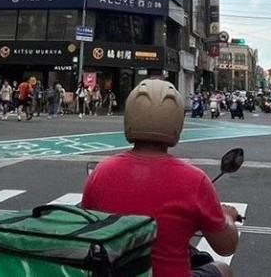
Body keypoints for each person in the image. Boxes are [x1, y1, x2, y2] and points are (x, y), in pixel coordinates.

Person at [82, 79, 239, 277]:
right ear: (177, 123)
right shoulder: (194, 180)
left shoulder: (101, 172)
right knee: (223, 269)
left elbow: (88, 226)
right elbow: (226, 247)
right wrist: (228, 217)